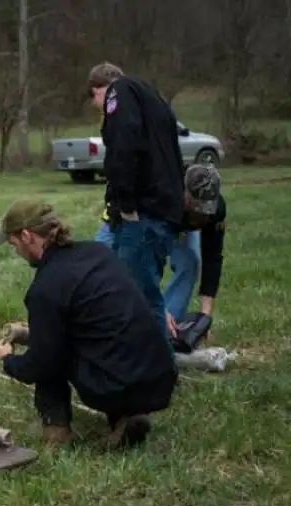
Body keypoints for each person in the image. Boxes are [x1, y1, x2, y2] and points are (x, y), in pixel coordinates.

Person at [0, 200, 178, 448]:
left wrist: (7, 360)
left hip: (116, 386)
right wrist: (30, 333)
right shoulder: (97, 253)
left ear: (26, 236)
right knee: (103, 346)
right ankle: (127, 416)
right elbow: (94, 323)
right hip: (160, 376)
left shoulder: (45, 288)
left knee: (52, 357)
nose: (15, 251)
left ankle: (56, 431)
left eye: (13, 244)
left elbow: (41, 364)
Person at [88, 62, 185, 339]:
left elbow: (124, 145)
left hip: (143, 214)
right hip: (165, 211)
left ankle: (157, 370)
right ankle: (144, 360)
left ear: (97, 91)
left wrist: (126, 204)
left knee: (139, 297)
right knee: (140, 291)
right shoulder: (152, 97)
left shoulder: (119, 92)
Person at [166, 164, 226, 336]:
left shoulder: (216, 211)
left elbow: (212, 259)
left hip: (180, 224)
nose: (201, 215)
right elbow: (146, 264)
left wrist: (204, 318)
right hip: (139, 220)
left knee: (189, 263)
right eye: (196, 206)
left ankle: (169, 330)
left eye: (205, 210)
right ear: (184, 192)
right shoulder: (165, 196)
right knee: (118, 270)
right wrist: (159, 310)